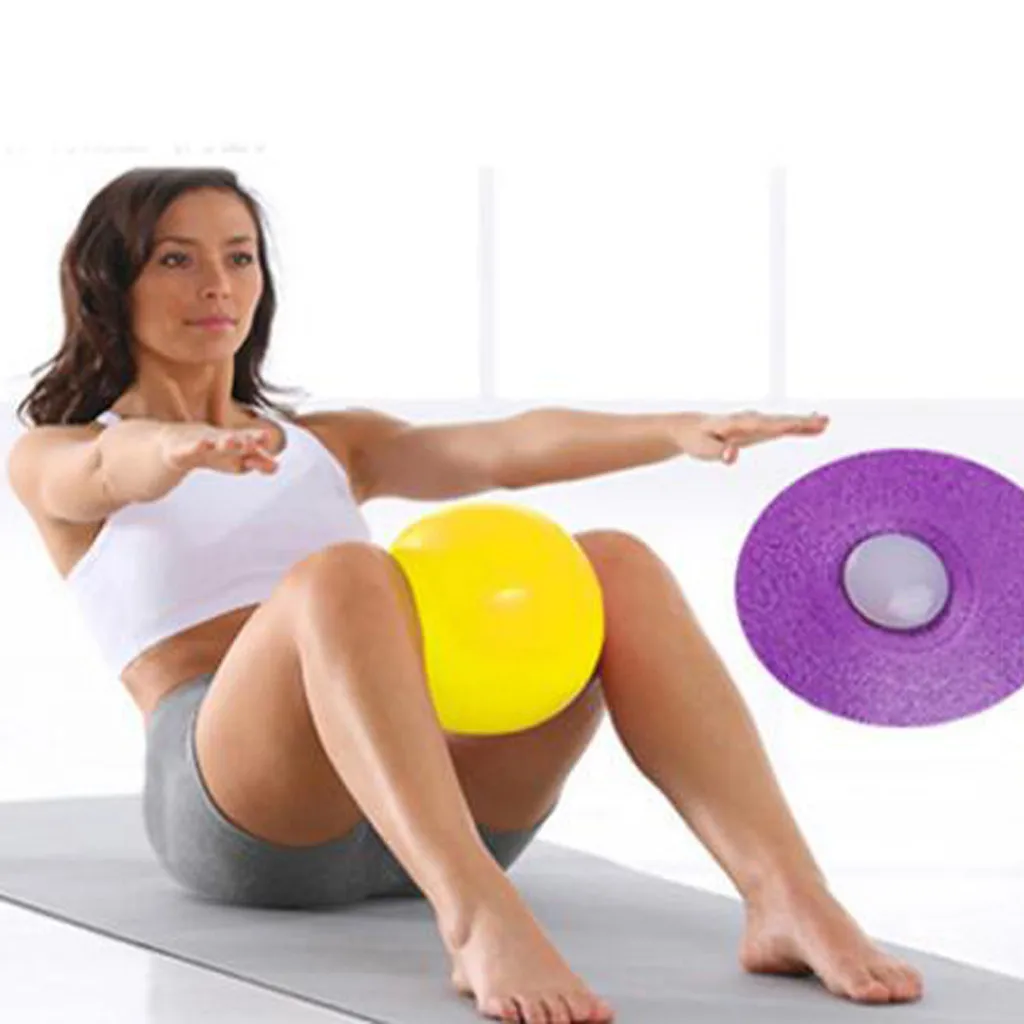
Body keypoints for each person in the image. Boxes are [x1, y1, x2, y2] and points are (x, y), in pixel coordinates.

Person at [6, 167, 922, 1023]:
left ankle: (786, 896)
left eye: (238, 257)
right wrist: (173, 450)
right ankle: (478, 919)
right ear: (108, 281)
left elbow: (503, 449)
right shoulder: (54, 451)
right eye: (177, 259)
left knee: (611, 562)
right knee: (345, 572)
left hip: (437, 793)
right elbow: (106, 468)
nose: (217, 284)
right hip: (250, 816)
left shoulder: (329, 444)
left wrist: (677, 430)